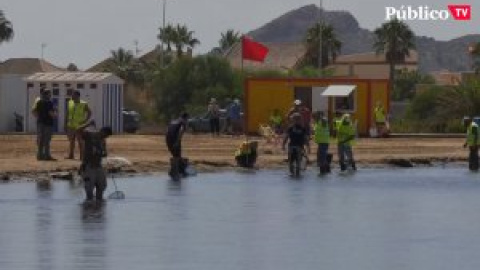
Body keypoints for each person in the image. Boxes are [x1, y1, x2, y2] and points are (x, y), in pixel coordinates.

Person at [80, 125, 113, 201]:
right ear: (102, 131)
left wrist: (100, 152)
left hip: (98, 166)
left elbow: (105, 154)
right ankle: (88, 208)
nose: (105, 137)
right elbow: (79, 130)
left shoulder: (103, 140)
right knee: (89, 190)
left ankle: (99, 208)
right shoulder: (89, 135)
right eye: (105, 135)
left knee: (101, 187)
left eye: (107, 136)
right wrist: (88, 124)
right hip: (88, 166)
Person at [65, 90, 92, 160]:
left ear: (78, 96)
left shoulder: (83, 104)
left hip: (80, 126)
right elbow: (67, 113)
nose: (72, 96)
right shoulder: (70, 102)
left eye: (73, 95)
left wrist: (85, 121)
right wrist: (65, 123)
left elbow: (89, 112)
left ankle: (82, 156)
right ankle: (71, 155)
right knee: (71, 141)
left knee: (81, 142)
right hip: (70, 125)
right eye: (72, 95)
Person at [32, 89, 57, 161]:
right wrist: (55, 114)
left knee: (40, 140)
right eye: (49, 94)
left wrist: (39, 117)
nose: (50, 95)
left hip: (40, 123)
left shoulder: (39, 102)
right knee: (47, 141)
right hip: (48, 124)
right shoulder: (49, 103)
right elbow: (51, 113)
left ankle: (39, 156)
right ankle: (47, 156)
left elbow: (34, 111)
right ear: (47, 95)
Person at [166, 113, 189, 179]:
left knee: (175, 155)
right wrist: (177, 142)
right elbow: (181, 132)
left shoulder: (173, 121)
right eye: (187, 119)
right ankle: (176, 171)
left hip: (167, 138)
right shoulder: (183, 122)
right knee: (177, 155)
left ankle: (176, 171)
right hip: (174, 139)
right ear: (186, 118)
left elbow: (168, 130)